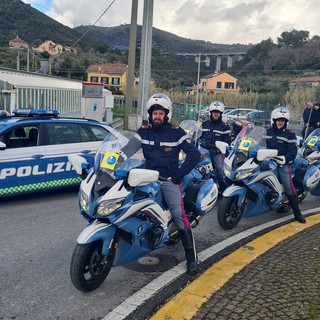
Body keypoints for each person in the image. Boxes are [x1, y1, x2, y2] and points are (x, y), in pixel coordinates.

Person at [121, 93, 201, 275]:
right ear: (150, 114)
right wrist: (109, 163)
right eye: (154, 113)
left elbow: (194, 154)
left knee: (179, 215)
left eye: (161, 113)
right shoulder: (143, 132)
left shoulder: (176, 133)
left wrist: (179, 175)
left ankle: (192, 259)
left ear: (167, 115)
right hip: (146, 179)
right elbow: (127, 150)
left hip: (168, 180)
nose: (157, 116)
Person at [266, 106, 306, 223]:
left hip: (283, 163)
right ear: (274, 120)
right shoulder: (267, 132)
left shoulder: (290, 134)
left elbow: (293, 152)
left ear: (286, 122)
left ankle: (297, 214)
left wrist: (284, 158)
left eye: (282, 121)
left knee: (289, 187)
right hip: (267, 161)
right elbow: (259, 144)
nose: (280, 122)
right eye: (278, 120)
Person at [199, 101, 231, 191]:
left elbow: (227, 142)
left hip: (216, 152)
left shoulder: (225, 127)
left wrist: (222, 147)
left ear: (221, 114)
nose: (215, 114)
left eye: (217, 113)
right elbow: (197, 136)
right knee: (196, 166)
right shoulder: (204, 124)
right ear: (211, 113)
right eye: (214, 113)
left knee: (219, 169)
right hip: (203, 150)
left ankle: (223, 189)